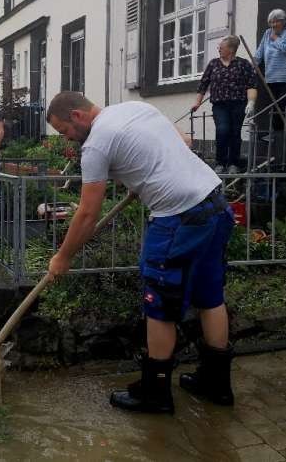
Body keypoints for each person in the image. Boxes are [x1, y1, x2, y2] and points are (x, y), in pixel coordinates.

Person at [46, 92, 235, 414]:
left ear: (77, 116)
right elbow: (182, 143)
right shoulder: (134, 108)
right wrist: (142, 177)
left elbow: (88, 214)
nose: (68, 138)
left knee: (159, 304)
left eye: (65, 131)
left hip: (179, 220)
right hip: (215, 205)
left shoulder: (95, 145)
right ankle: (216, 385)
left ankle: (155, 393)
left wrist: (62, 257)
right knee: (210, 297)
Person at [192, 35, 258, 174]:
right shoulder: (213, 64)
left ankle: (234, 163)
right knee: (222, 130)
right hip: (219, 105)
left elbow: (251, 85)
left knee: (235, 133)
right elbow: (203, 84)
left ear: (231, 49)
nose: (219, 49)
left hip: (238, 104)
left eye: (221, 47)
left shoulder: (243, 64)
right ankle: (220, 162)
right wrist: (197, 103)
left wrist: (251, 102)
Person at [253, 9, 286, 131]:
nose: (273, 25)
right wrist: (253, 66)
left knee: (283, 107)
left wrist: (275, 38)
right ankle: (275, 134)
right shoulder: (267, 33)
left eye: (275, 22)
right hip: (271, 77)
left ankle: (284, 133)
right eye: (271, 23)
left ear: (283, 21)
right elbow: (260, 53)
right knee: (274, 107)